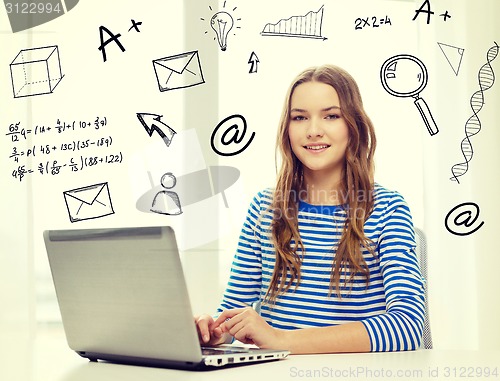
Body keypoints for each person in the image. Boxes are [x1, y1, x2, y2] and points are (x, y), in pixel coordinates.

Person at [195, 65, 425, 354]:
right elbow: (232, 313)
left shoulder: (388, 209)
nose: (313, 131)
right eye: (300, 117)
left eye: (331, 116)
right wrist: (215, 331)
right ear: (287, 129)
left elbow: (407, 327)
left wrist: (282, 341)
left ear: (353, 126)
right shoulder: (265, 208)